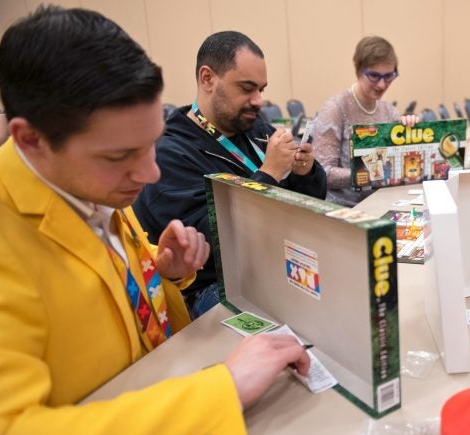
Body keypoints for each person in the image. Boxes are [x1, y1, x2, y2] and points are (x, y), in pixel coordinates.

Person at [0, 6, 309, 435]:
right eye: (119, 156)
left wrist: (165, 275)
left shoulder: (90, 181)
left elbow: (129, 309)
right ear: (31, 140)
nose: (150, 174)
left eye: (148, 146)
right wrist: (222, 391)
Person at [133, 31, 327, 318]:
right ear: (208, 79)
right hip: (215, 286)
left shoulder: (254, 127)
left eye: (261, 89)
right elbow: (209, 245)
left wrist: (304, 171)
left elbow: (311, 201)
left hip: (274, 259)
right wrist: (269, 174)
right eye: (247, 88)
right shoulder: (169, 154)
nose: (259, 100)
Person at [314, 36, 417, 207]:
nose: (382, 85)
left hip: (383, 202)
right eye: (374, 76)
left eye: (389, 76)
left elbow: (400, 167)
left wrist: (412, 133)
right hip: (344, 208)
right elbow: (323, 173)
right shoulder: (335, 109)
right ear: (358, 70)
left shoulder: (389, 111)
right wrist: (369, 173)